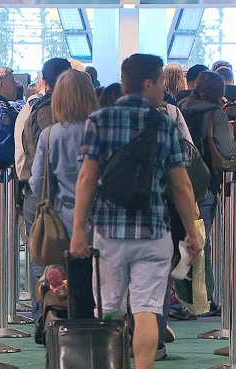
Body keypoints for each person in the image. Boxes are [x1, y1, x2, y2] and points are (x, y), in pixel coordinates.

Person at [71, 54, 202, 369]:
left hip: (108, 232)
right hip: (153, 231)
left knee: (109, 310)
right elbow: (181, 186)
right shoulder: (165, 123)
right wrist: (192, 231)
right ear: (148, 83)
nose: (162, 89)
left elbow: (87, 178)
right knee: (146, 310)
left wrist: (78, 230)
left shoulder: (99, 120)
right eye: (160, 82)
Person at [28, 69, 98, 321]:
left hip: (62, 223)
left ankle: (68, 334)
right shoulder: (100, 130)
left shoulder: (50, 135)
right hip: (101, 221)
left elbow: (38, 184)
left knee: (70, 285)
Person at [15, 58, 72, 332]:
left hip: (40, 194)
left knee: (43, 256)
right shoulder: (57, 113)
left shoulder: (33, 109)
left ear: (45, 81)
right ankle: (47, 316)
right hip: (52, 197)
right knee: (48, 258)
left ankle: (46, 317)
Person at [178, 71, 236, 317]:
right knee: (199, 240)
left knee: (181, 237)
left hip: (178, 179)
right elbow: (225, 147)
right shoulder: (216, 114)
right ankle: (199, 299)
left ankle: (178, 296)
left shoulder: (180, 108)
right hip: (205, 183)